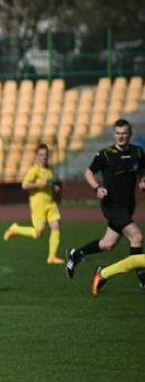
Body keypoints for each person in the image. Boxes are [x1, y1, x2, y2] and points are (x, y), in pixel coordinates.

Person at [65, 118, 145, 287]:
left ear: (129, 134)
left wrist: (143, 180)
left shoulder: (138, 152)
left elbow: (142, 170)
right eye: (117, 134)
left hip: (127, 205)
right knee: (137, 236)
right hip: (112, 205)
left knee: (108, 244)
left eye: (124, 133)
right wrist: (96, 188)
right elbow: (88, 172)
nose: (120, 137)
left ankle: (76, 254)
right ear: (113, 135)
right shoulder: (105, 154)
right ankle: (143, 280)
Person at [3, 143, 64, 264]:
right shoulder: (34, 170)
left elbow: (50, 183)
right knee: (38, 233)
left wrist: (55, 187)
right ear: (36, 156)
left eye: (46, 155)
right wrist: (38, 185)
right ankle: (15, 229)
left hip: (50, 203)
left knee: (56, 226)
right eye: (41, 155)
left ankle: (51, 257)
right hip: (38, 205)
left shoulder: (50, 169)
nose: (44, 157)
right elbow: (24, 185)